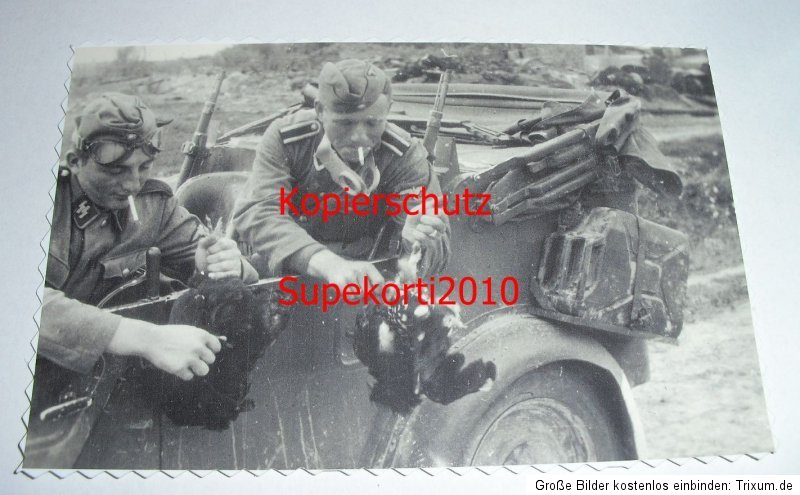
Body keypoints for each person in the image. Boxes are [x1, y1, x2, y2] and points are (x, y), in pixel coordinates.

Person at [39, 92, 258, 383]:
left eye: (143, 167)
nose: (132, 184)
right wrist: (146, 339)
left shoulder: (154, 206)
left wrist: (227, 264)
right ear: (75, 161)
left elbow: (246, 274)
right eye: (116, 170)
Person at [233, 59, 450, 286]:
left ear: (388, 110)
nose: (358, 136)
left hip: (367, 280)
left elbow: (435, 258)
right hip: (289, 268)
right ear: (320, 110)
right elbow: (260, 212)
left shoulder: (404, 155)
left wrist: (419, 243)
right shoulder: (288, 140)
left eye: (372, 124)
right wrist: (329, 264)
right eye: (345, 123)